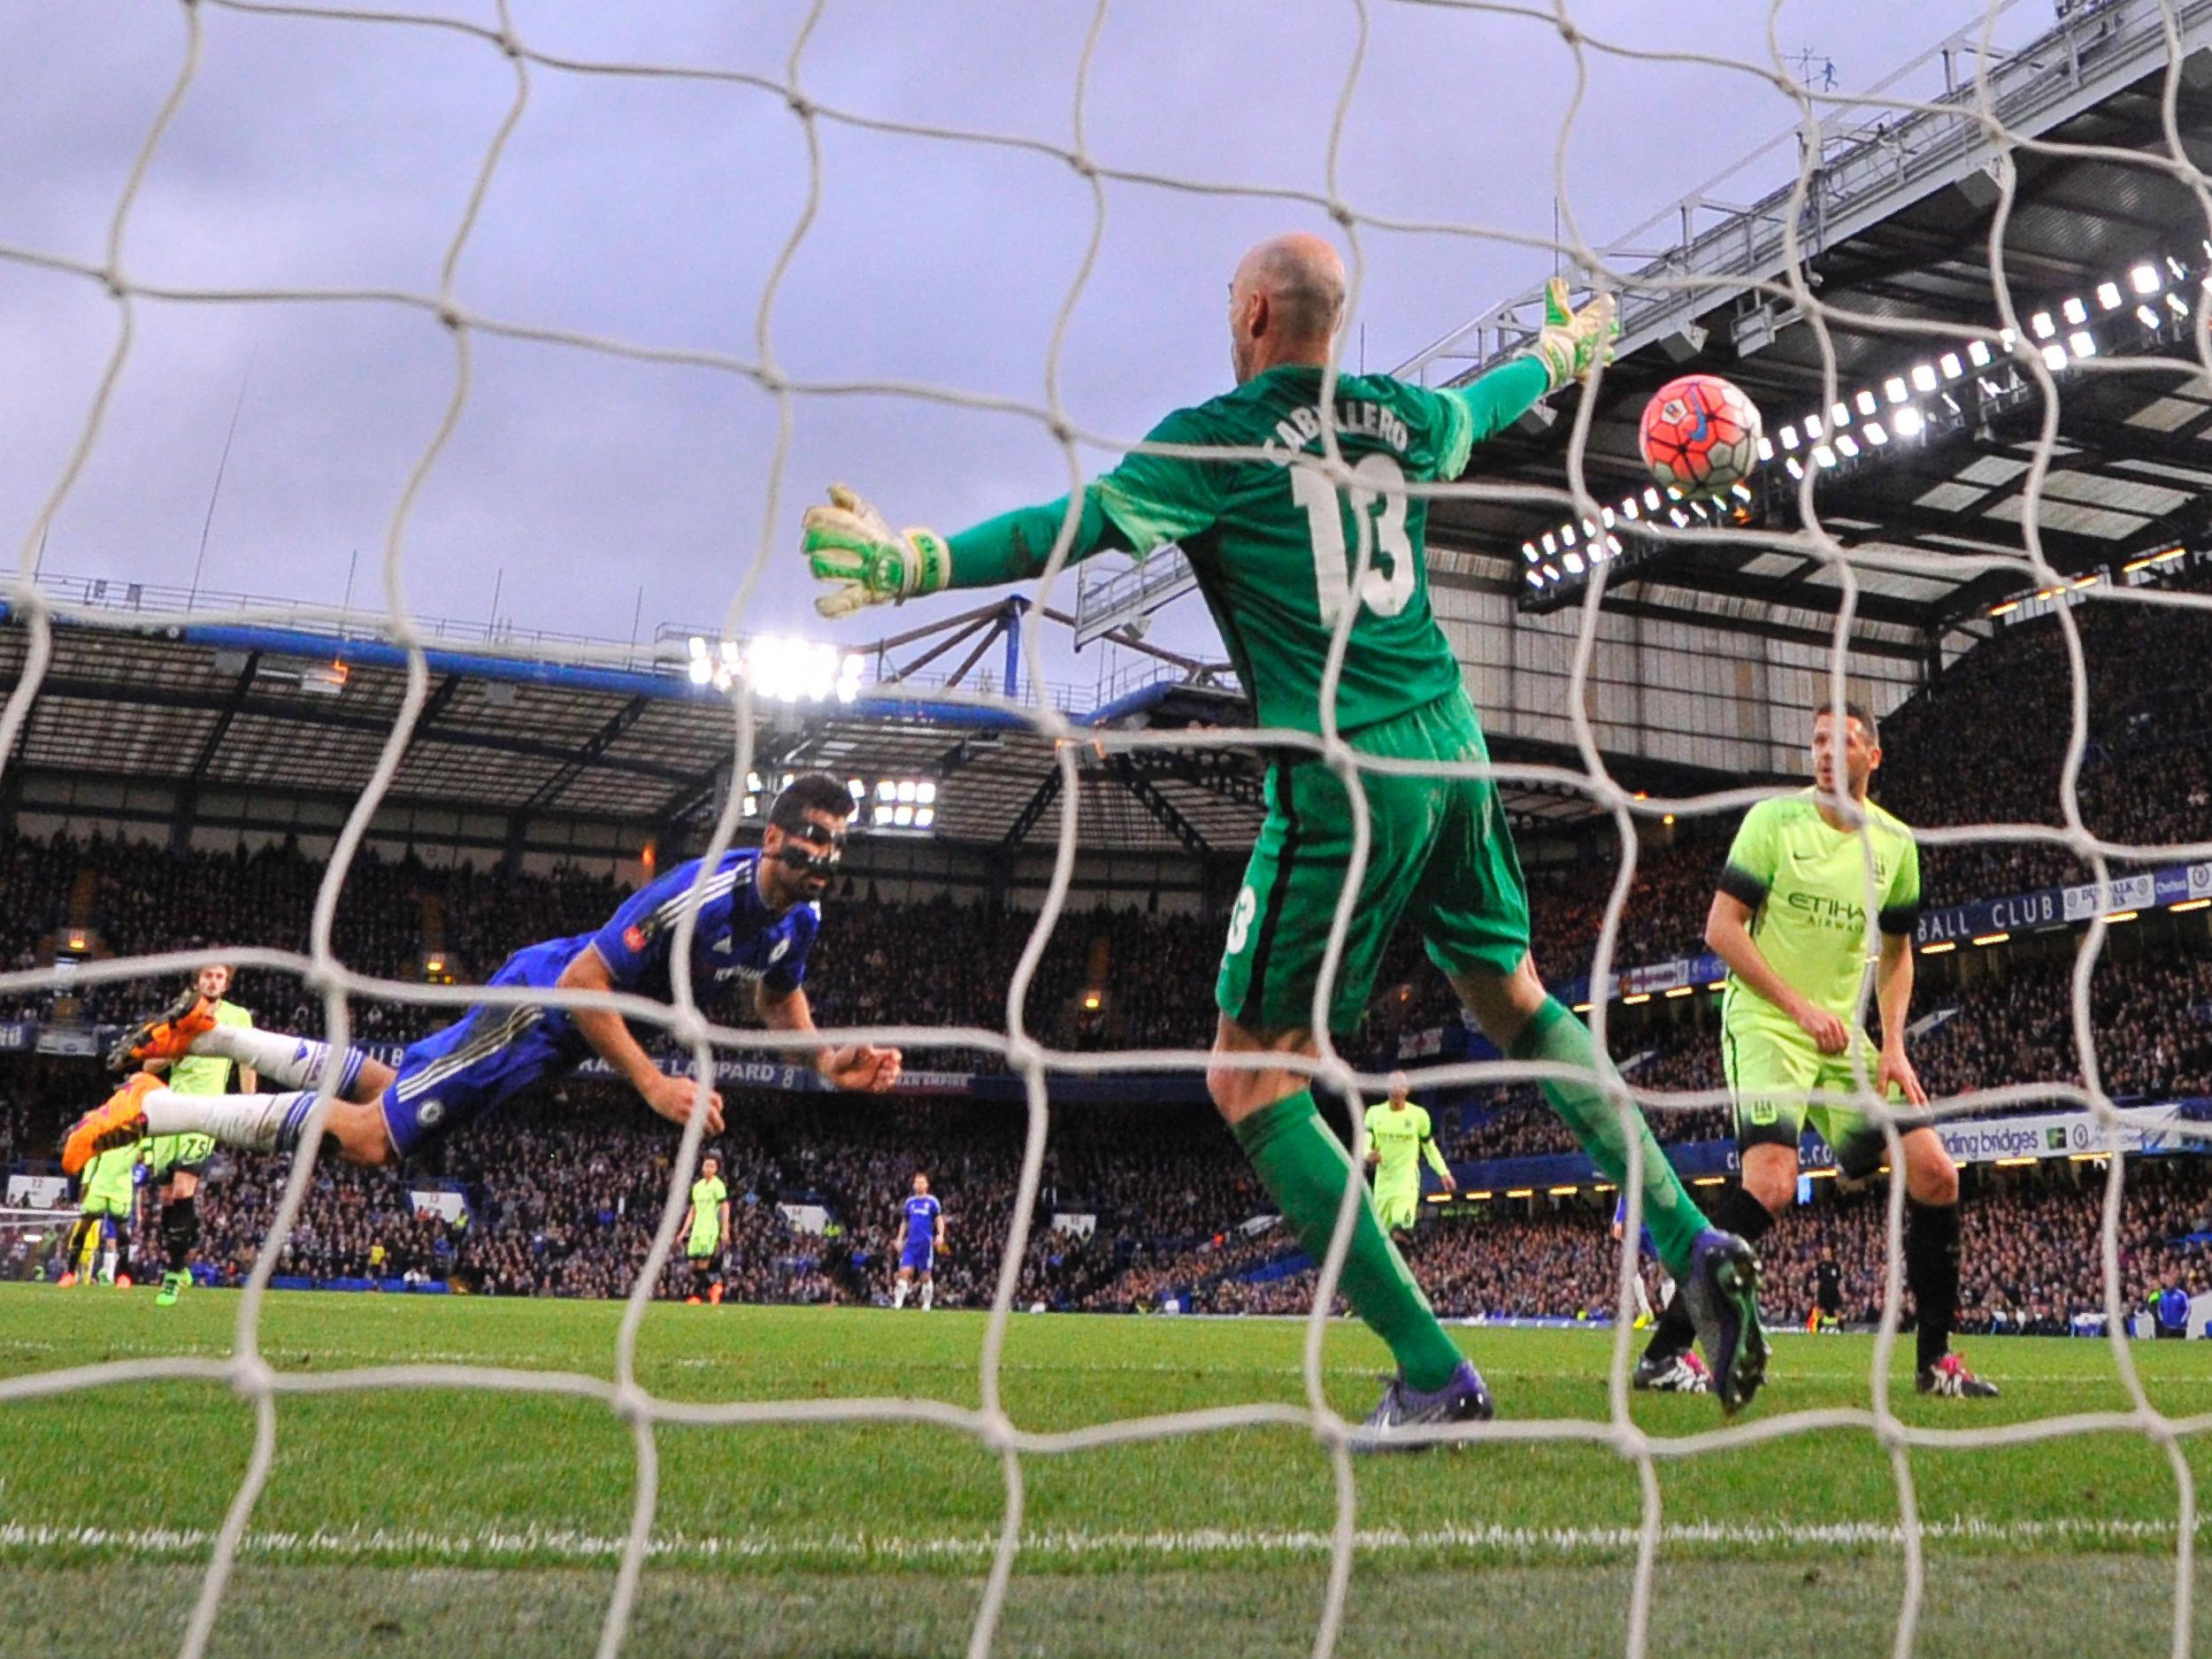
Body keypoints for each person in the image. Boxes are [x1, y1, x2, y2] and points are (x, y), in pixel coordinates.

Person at [800, 232, 1768, 1427]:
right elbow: (1486, 402)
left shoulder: (1218, 435)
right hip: (1454, 746)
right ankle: (1688, 1230)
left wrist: (916, 560)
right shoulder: (1402, 416)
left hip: (1344, 772)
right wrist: (1565, 351)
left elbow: (1075, 525)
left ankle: (1430, 1370)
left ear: (1254, 311)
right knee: (1518, 1000)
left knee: (1249, 1072)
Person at [62, 775, 903, 1181]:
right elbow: (586, 982)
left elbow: (774, 996)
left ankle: (212, 1032)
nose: (825, 856)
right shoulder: (698, 892)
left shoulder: (801, 919)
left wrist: (828, 1062)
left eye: (837, 844)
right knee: (375, 1137)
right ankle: (159, 1107)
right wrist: (652, 1085)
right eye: (813, 838)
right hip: (546, 1007)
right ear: (772, 839)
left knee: (394, 1081)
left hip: (562, 1038)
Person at [1632, 703, 1997, 1399]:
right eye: (1818, 740)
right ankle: (1665, 1349)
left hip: (1845, 1041)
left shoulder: (1894, 844)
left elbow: (1897, 954)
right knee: (1770, 1182)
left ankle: (1935, 1362)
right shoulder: (1775, 822)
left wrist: (1894, 1044)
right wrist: (1798, 1006)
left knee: (1936, 1173)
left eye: (1844, 741)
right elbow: (1721, 929)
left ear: (1873, 757)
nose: (1827, 752)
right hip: (1768, 1021)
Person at [130, 962, 256, 1307]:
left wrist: (249, 1107)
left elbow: (248, 1063)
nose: (213, 981)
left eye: (219, 977)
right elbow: (149, 1065)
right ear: (197, 981)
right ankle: (180, 1264)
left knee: (185, 1188)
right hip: (170, 1111)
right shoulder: (178, 1017)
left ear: (225, 985)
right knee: (168, 1199)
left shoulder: (238, 1017)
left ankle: (171, 1278)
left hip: (207, 1112)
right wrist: (181, 1041)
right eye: (207, 976)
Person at [1363, 1071, 1454, 1241]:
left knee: (1401, 1231)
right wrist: (1367, 1153)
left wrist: (1444, 1173)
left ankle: (1404, 1263)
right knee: (1381, 1239)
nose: (1397, 1090)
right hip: (1383, 1186)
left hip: (1407, 1183)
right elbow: (1365, 1140)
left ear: (1407, 1090)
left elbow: (1429, 1147)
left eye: (1400, 1086)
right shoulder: (1374, 1114)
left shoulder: (1419, 1116)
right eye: (1393, 1086)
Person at [65, 1144, 137, 1287]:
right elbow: (92, 1157)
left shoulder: (134, 1133)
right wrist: (86, 1182)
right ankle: (69, 1273)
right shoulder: (104, 1132)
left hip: (120, 1188)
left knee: (121, 1230)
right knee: (84, 1225)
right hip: (99, 1185)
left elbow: (143, 1152)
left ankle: (124, 1276)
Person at [680, 1154, 730, 1304]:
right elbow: (692, 1211)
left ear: (716, 1169)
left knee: (703, 1262)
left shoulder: (718, 1185)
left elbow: (724, 1207)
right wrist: (683, 1231)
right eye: (706, 1165)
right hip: (697, 1230)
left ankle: (697, 1296)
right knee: (692, 1265)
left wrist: (725, 1230)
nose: (708, 1168)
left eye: (711, 1166)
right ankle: (714, 1286)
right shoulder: (697, 1187)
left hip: (709, 1229)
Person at [892, 1172, 945, 1310]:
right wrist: (899, 1238)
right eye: (917, 1182)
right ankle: (898, 1303)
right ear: (914, 1185)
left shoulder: (932, 1202)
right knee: (904, 1272)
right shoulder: (910, 1202)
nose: (919, 1185)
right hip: (911, 1244)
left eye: (922, 1182)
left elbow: (939, 1219)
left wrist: (940, 1235)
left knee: (926, 1276)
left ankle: (927, 1304)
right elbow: (904, 1222)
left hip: (925, 1244)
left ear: (927, 1185)